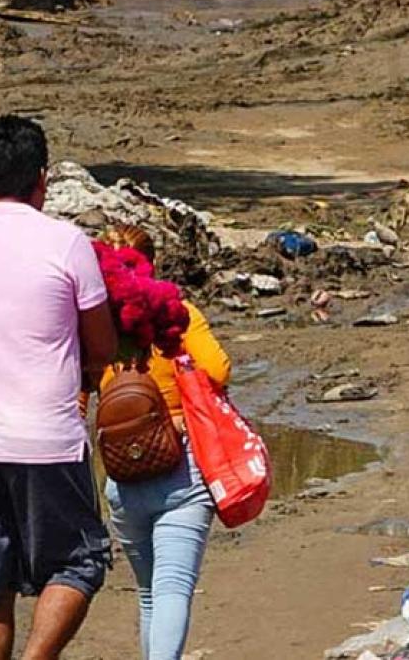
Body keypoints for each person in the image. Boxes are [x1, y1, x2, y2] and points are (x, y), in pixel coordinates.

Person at [0, 115, 118, 660]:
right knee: (79, 560)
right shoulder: (65, 241)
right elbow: (101, 348)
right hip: (46, 434)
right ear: (43, 178)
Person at [98, 224, 231, 660]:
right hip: (181, 466)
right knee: (173, 586)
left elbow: (74, 392)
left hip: (121, 472)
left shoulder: (95, 325)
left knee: (148, 592)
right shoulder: (177, 312)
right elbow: (218, 369)